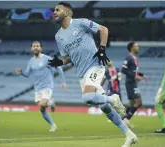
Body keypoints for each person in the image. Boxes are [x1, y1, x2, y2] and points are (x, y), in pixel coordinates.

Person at [48, 2, 138, 146]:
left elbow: (103, 30)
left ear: (67, 12)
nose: (55, 12)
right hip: (82, 73)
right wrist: (59, 63)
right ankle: (129, 135)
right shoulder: (59, 36)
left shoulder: (81, 23)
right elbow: (67, 58)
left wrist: (101, 49)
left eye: (58, 10)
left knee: (87, 97)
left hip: (95, 65)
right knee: (104, 108)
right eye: (54, 10)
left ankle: (113, 98)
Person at [15, 41, 66, 132]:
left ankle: (51, 102)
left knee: (43, 104)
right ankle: (53, 125)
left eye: (37, 46)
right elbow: (27, 74)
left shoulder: (47, 59)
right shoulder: (30, 61)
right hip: (37, 88)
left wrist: (63, 81)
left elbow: (59, 67)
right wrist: (21, 72)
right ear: (31, 48)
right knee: (42, 109)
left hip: (47, 86)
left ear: (41, 48)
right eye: (34, 46)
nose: (35, 47)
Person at [122, 42, 148, 128]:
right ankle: (126, 119)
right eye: (136, 46)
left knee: (131, 103)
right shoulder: (129, 57)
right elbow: (123, 70)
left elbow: (134, 71)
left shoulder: (135, 58)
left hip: (132, 82)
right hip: (130, 83)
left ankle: (123, 119)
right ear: (132, 48)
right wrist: (135, 77)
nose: (138, 47)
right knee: (139, 102)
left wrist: (142, 75)